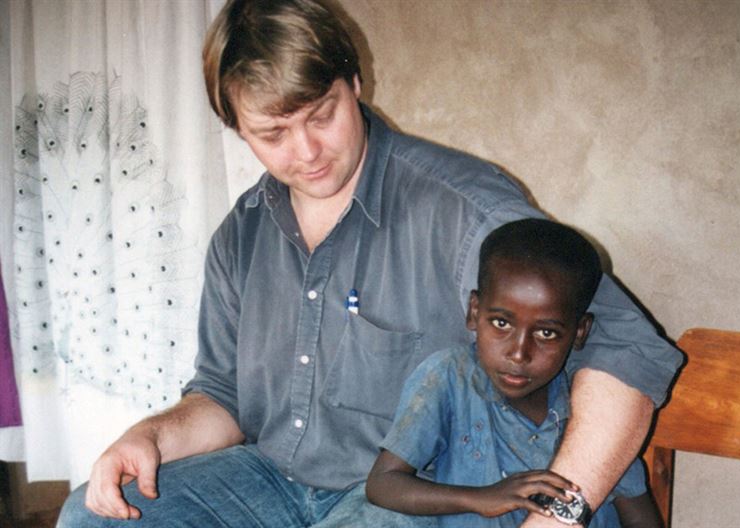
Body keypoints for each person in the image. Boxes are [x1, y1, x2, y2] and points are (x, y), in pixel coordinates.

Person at [57, 1, 682, 527]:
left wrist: (558, 515)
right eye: (273, 134)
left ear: (354, 83)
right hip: (268, 480)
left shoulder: (464, 210)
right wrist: (151, 436)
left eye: (321, 115)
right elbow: (222, 397)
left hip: (411, 494)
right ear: (237, 127)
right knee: (91, 517)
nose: (306, 152)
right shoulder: (239, 236)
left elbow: (630, 351)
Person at [366, 219, 662, 528]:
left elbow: (640, 517)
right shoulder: (449, 378)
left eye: (546, 333)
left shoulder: (591, 407)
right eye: (502, 323)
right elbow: (383, 483)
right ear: (474, 311)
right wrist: (481, 498)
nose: (519, 354)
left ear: (579, 332)